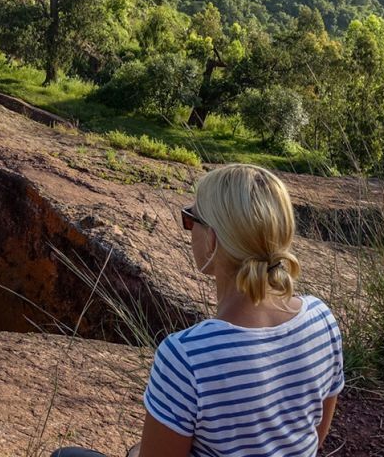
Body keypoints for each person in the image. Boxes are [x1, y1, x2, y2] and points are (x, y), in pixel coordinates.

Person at [53, 164, 344, 457]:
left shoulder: (187, 357)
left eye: (190, 220)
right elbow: (316, 436)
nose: (189, 229)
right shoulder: (322, 319)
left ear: (213, 240)